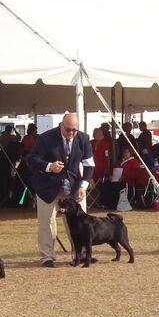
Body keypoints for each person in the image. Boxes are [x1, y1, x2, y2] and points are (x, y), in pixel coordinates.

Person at [28, 113, 94, 268]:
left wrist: (83, 186)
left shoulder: (83, 139)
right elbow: (32, 160)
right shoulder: (46, 138)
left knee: (79, 222)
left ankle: (80, 254)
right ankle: (47, 256)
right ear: (61, 125)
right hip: (47, 186)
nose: (71, 133)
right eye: (68, 129)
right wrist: (49, 166)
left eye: (74, 130)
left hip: (73, 187)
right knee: (46, 223)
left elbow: (89, 165)